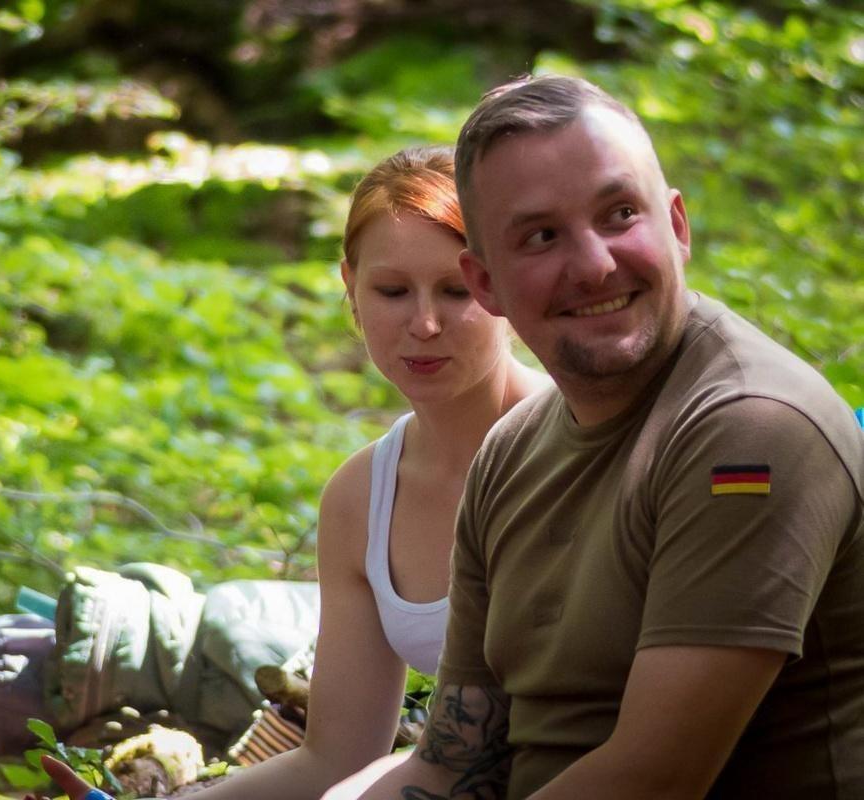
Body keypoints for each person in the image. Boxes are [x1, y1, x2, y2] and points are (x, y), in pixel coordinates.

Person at [338, 74, 864, 800]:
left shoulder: (749, 429)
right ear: (486, 282)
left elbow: (655, 777)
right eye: (541, 236)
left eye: (619, 214)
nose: (593, 265)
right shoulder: (511, 452)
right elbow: (454, 763)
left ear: (677, 226)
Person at [23, 146, 548, 800]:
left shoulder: (574, 441)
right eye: (392, 291)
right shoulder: (362, 498)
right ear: (351, 289)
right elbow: (334, 757)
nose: (423, 323)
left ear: (502, 285)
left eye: (455, 290)